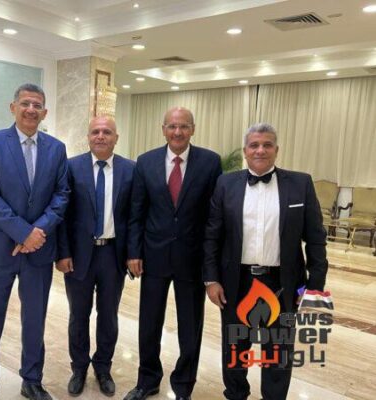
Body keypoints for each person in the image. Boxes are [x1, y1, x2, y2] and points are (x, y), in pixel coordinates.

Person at [202, 123, 329, 400]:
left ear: (276, 150)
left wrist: (314, 287)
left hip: (283, 283)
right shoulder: (226, 184)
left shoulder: (300, 184)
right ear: (245, 151)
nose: (260, 150)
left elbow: (316, 239)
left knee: (278, 351)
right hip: (237, 282)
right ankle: (236, 394)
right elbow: (212, 236)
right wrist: (211, 279)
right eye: (254, 145)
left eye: (267, 145)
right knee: (235, 348)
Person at [0, 83, 69, 400]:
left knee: (35, 320)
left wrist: (37, 232)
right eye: (25, 103)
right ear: (12, 107)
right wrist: (23, 232)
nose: (31, 110)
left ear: (45, 112)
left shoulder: (57, 149)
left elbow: (61, 195)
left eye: (37, 105)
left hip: (38, 251)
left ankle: (32, 380)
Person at [124, 107, 222, 400]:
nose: (177, 132)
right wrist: (133, 252)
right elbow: (136, 212)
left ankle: (183, 386)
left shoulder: (210, 162)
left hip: (192, 259)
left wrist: (211, 264)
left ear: (193, 129)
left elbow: (214, 217)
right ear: (163, 129)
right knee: (149, 323)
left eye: (183, 126)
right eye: (172, 126)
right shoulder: (146, 162)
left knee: (190, 327)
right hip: (153, 256)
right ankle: (147, 380)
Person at [56, 116, 135, 397]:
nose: (101, 136)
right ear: (88, 137)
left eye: (107, 132)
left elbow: (134, 216)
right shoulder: (71, 167)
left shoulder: (130, 169)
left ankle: (103, 367)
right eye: (96, 132)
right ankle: (79, 368)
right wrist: (62, 252)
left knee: (108, 315)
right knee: (78, 315)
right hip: (78, 256)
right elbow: (61, 214)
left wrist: (133, 254)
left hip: (113, 254)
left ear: (116, 137)